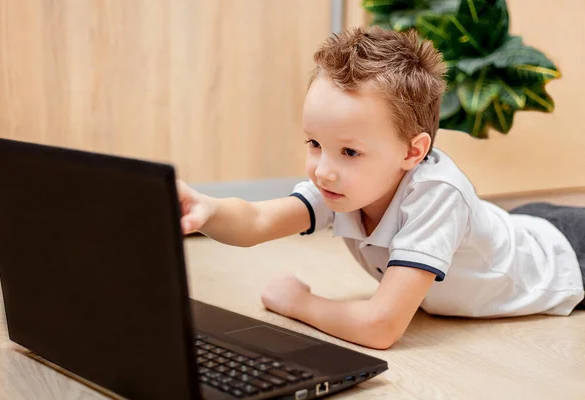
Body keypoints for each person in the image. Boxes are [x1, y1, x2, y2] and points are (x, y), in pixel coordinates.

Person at [176, 26, 585, 350]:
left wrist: (298, 302)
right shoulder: (345, 185)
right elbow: (259, 219)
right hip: (518, 226)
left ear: (412, 152)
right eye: (315, 144)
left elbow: (380, 327)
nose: (324, 171)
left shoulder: (437, 194)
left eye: (350, 152)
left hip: (566, 255)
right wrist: (206, 210)